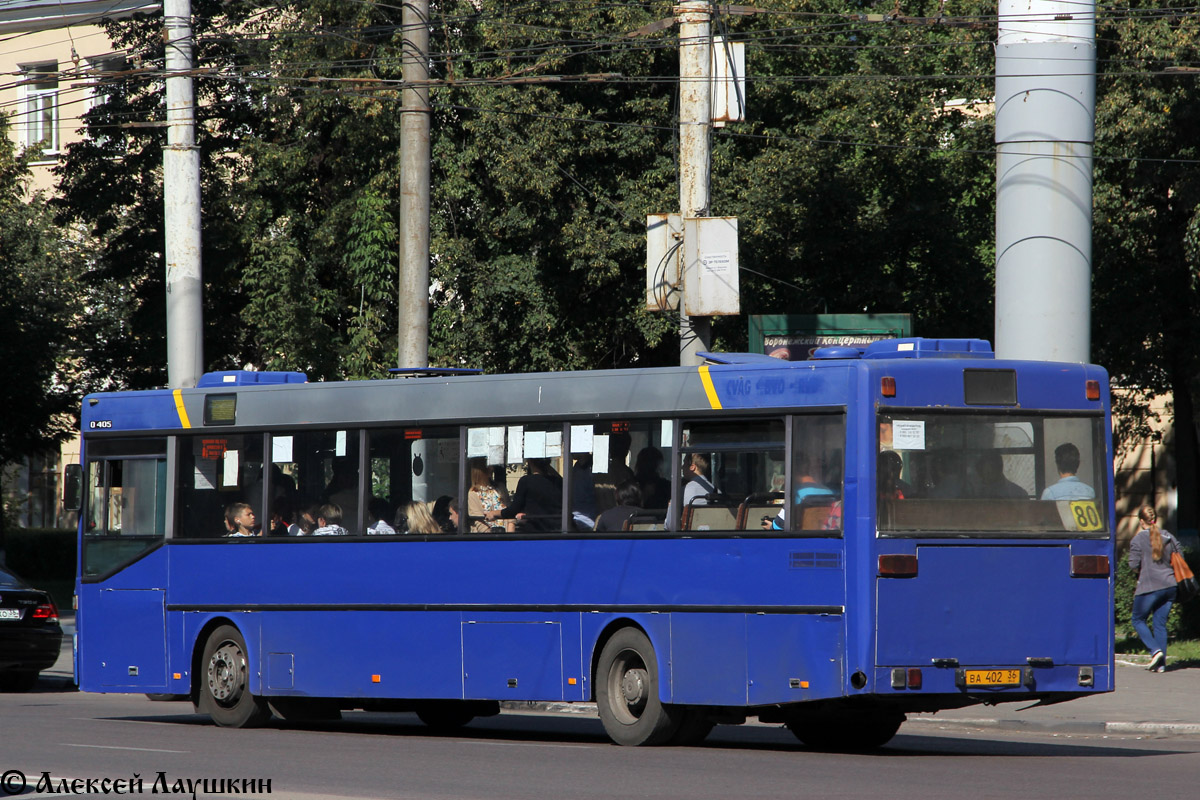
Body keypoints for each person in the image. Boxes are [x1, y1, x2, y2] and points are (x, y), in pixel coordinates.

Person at [1128, 505, 1181, 672]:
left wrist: (1141, 569)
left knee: (1137, 619)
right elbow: (1180, 556)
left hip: (1149, 587)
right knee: (1160, 624)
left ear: (1142, 521)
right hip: (1170, 586)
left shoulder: (1138, 539)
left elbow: (1133, 564)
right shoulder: (1168, 536)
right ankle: (1161, 665)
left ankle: (1155, 650)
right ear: (1155, 520)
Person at [501, 458, 563, 532]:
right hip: (557, 530)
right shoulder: (558, 481)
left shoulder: (526, 481)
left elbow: (513, 510)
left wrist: (495, 514)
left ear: (530, 461)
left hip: (534, 531)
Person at [467, 459, 509, 533]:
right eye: (488, 466)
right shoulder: (473, 493)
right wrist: (491, 537)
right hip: (486, 538)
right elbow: (478, 521)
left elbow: (509, 512)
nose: (492, 468)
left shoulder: (500, 488)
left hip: (506, 536)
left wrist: (510, 534)